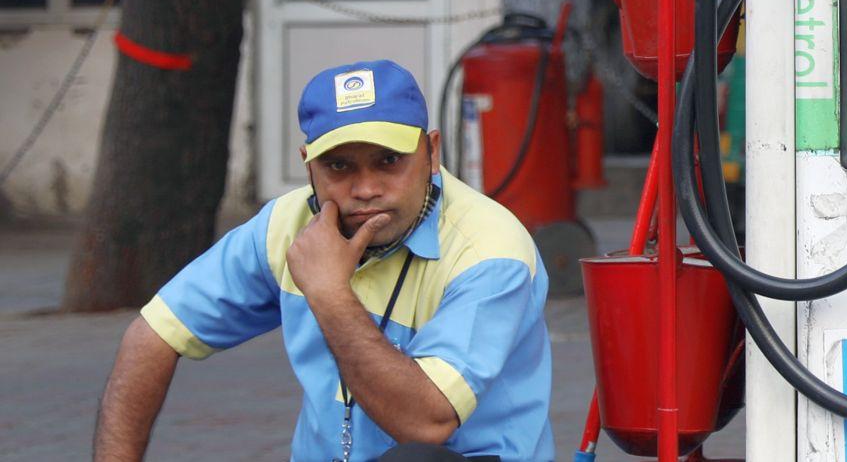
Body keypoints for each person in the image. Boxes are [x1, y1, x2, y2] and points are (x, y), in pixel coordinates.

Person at [93, 60, 554, 461]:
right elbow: (152, 336)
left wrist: (330, 294)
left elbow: (425, 423)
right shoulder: (286, 224)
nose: (366, 189)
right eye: (339, 166)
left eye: (389, 160)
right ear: (308, 165)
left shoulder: (489, 251)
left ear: (431, 152)